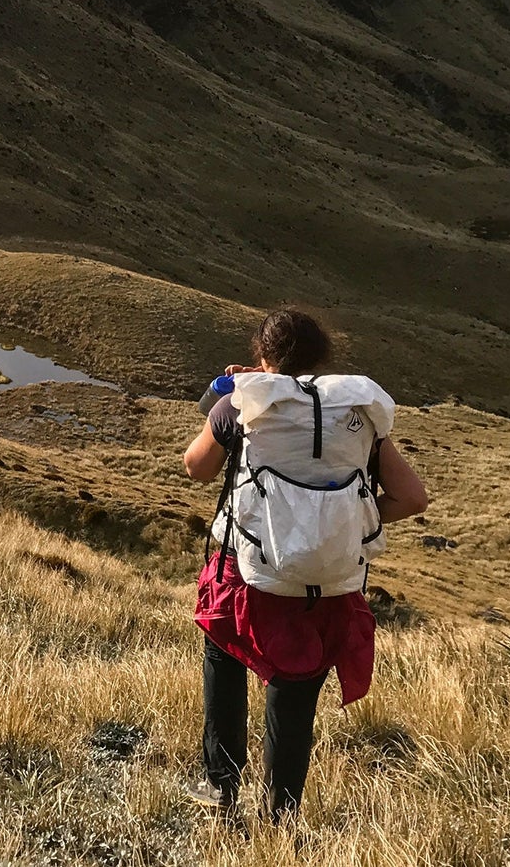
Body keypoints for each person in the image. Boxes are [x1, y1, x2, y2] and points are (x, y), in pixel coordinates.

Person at [179, 307, 430, 823]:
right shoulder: (359, 417)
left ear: (263, 358)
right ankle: (281, 818)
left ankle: (221, 786)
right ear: (323, 361)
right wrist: (350, 525)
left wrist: (225, 396)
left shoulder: (241, 405)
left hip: (247, 572)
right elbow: (412, 499)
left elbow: (196, 468)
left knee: (224, 659)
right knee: (294, 698)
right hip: (328, 583)